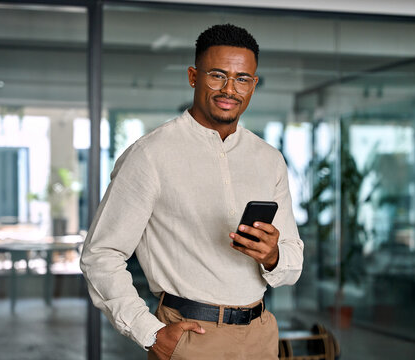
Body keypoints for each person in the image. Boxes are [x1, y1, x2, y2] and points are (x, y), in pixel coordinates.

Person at [80, 24, 304, 360]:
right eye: (217, 75)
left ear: (253, 85)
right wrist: (149, 332)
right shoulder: (151, 154)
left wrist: (272, 256)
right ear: (193, 76)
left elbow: (293, 260)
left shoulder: (269, 159)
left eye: (242, 78)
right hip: (190, 336)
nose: (230, 89)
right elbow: (101, 254)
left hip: (260, 335)